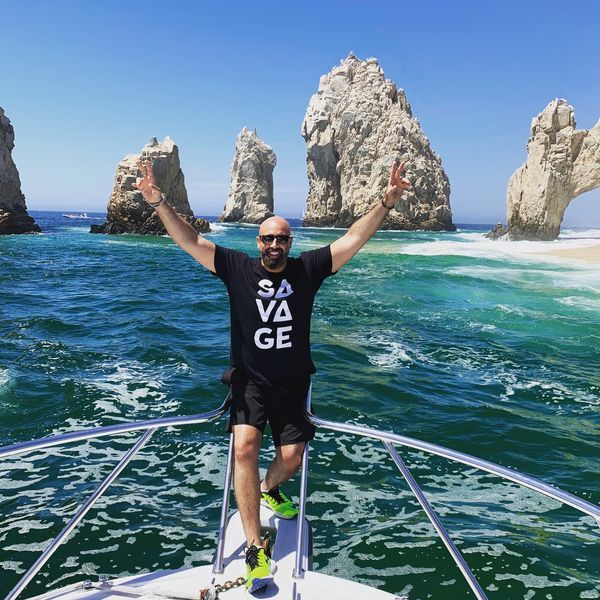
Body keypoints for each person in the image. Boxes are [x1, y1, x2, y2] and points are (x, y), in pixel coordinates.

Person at [133, 159, 410, 594]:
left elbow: (353, 238)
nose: (274, 245)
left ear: (289, 242)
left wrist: (386, 203)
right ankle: (253, 549)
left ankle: (267, 488)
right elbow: (190, 240)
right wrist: (157, 202)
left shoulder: (307, 271)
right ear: (258, 242)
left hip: (293, 382)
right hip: (249, 380)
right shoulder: (237, 269)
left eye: (281, 238)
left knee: (292, 459)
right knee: (244, 448)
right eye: (268, 238)